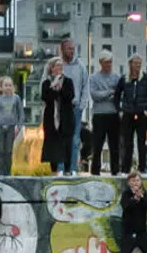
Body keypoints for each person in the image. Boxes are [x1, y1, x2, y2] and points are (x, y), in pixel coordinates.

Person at [87, 51, 122, 176]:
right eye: (106, 62)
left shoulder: (117, 78)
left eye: (110, 62)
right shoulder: (93, 78)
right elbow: (94, 95)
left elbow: (119, 95)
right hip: (99, 115)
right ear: (100, 63)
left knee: (115, 145)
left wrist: (104, 93)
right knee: (97, 145)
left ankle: (115, 171)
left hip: (113, 114)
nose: (108, 65)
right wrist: (109, 92)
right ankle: (95, 171)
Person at [57, 39, 89, 177]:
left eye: (73, 48)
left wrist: (82, 105)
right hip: (59, 108)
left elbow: (85, 86)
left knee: (75, 139)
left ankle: (73, 168)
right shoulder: (57, 65)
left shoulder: (80, 66)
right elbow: (46, 81)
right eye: (69, 48)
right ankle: (60, 168)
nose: (72, 51)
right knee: (60, 139)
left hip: (75, 108)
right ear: (62, 49)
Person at [40, 58, 77, 175]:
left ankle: (67, 170)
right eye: (57, 66)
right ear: (52, 68)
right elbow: (45, 97)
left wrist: (59, 89)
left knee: (67, 144)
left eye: (61, 66)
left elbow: (70, 96)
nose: (60, 68)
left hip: (66, 118)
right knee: (52, 143)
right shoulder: (46, 83)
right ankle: (54, 170)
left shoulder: (68, 81)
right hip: (51, 118)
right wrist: (54, 87)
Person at [117, 55, 147, 173]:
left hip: (142, 114)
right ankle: (125, 169)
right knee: (128, 143)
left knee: (141, 143)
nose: (138, 65)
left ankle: (142, 168)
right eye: (135, 63)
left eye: (139, 63)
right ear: (130, 64)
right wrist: (120, 110)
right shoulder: (124, 79)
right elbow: (117, 95)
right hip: (127, 114)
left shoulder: (146, 79)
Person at [0, 76, 24, 177]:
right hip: (0, 127)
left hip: (11, 127)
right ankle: (0, 174)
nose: (8, 87)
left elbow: (21, 114)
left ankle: (7, 173)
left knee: (8, 151)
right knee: (0, 151)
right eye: (6, 85)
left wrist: (19, 126)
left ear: (13, 86)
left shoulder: (16, 98)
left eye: (10, 85)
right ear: (1, 87)